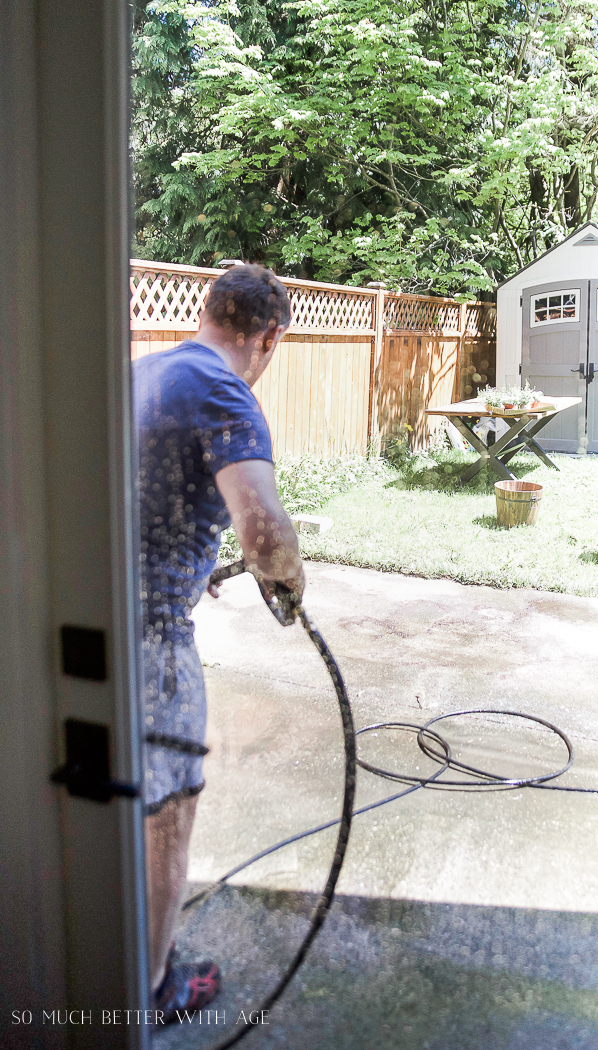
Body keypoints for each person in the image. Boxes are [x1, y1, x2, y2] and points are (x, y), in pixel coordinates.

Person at [134, 264, 305, 1022]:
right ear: (270, 336)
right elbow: (264, 531)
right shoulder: (225, 390)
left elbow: (147, 491)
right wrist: (288, 580)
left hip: (91, 612)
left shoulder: (147, 370)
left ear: (205, 312)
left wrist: (193, 560)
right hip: (152, 642)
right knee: (166, 812)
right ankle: (153, 987)